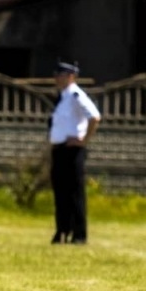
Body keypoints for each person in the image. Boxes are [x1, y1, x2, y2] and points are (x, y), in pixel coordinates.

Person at [47, 60, 100, 244]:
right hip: (59, 150)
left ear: (71, 77)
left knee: (75, 193)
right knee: (60, 192)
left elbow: (94, 117)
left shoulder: (76, 95)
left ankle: (79, 234)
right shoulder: (62, 97)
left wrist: (83, 140)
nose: (57, 78)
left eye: (60, 75)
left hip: (72, 151)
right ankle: (62, 230)